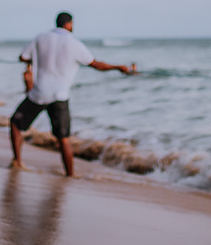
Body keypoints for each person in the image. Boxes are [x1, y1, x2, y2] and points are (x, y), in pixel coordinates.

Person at [9, 12, 135, 177]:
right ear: (68, 24)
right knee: (64, 138)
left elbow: (23, 57)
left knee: (15, 123)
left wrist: (32, 64)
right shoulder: (74, 44)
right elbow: (96, 65)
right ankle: (70, 174)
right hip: (61, 95)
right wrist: (119, 67)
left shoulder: (41, 38)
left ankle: (18, 161)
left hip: (40, 93)